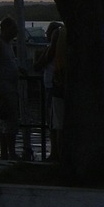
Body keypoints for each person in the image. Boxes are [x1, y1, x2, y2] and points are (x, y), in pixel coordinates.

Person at [0, 16, 21, 160]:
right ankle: (8, 153)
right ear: (5, 29)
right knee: (7, 121)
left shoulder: (8, 44)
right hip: (3, 90)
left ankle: (8, 153)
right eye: (13, 29)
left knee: (8, 122)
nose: (16, 32)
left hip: (10, 88)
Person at [35, 21, 68, 162]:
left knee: (54, 123)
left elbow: (38, 65)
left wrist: (40, 55)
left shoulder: (52, 49)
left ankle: (55, 153)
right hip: (55, 86)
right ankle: (57, 152)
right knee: (56, 122)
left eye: (48, 32)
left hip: (52, 87)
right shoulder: (59, 48)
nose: (46, 34)